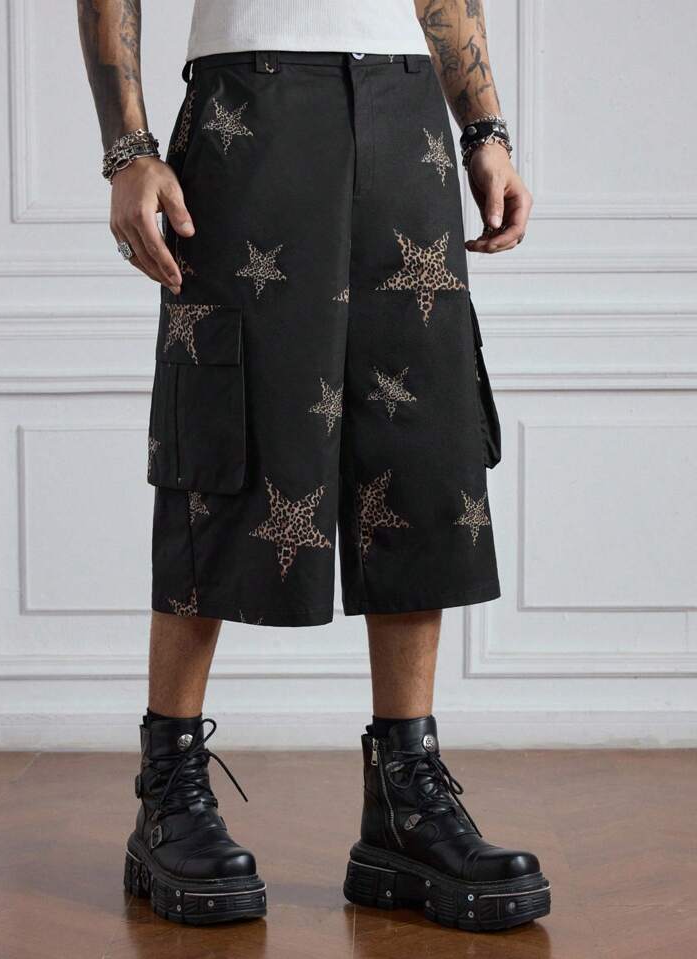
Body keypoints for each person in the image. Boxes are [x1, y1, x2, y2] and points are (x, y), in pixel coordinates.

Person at [78, 0, 550, 932]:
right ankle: (167, 787)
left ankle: (405, 800)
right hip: (248, 102)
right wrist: (128, 149)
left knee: (420, 443)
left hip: (406, 105)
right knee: (224, 433)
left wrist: (484, 127)